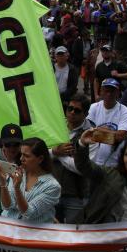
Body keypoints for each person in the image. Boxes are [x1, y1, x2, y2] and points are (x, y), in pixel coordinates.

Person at [0, 137, 61, 223]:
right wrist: (3, 181)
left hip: (33, 234)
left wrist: (17, 188)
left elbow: (29, 213)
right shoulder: (18, 172)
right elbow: (7, 205)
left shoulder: (52, 186)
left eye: (26, 156)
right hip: (8, 228)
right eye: (21, 154)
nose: (21, 159)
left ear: (40, 159)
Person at [51, 94, 92, 224]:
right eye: (70, 108)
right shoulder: (55, 125)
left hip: (76, 195)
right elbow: (39, 152)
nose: (72, 112)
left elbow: (84, 168)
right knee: (48, 233)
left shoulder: (91, 135)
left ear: (85, 113)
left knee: (73, 236)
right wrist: (55, 151)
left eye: (77, 110)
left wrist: (59, 155)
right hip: (51, 191)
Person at [86, 78, 127, 167]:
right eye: (106, 91)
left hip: (114, 163)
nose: (109, 94)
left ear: (118, 93)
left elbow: (121, 136)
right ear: (101, 92)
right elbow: (87, 132)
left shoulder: (125, 111)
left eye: (112, 91)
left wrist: (97, 132)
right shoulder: (93, 107)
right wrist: (111, 134)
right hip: (92, 161)